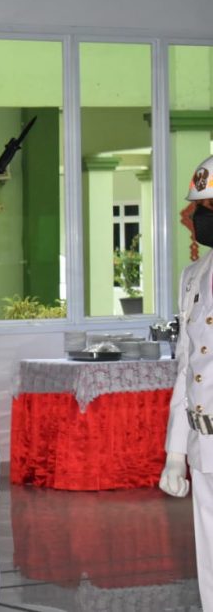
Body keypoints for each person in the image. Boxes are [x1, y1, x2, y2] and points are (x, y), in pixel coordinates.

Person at [160, 155, 213, 608]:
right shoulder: (193, 277)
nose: (201, 216)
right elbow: (185, 368)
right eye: (200, 206)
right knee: (210, 565)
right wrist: (175, 454)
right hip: (203, 447)